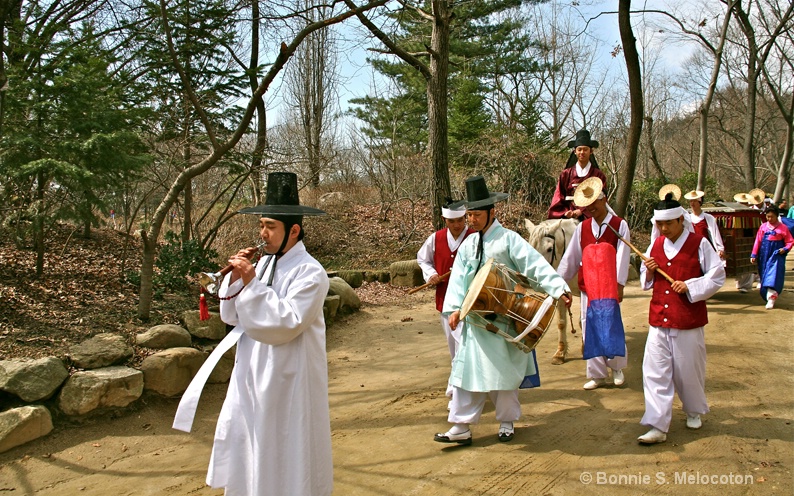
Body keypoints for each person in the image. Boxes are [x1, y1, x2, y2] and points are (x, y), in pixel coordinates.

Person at [173, 172, 333, 495]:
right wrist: (235, 279)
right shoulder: (263, 265)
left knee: (285, 450)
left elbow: (286, 322)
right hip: (252, 376)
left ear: (294, 230)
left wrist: (251, 284)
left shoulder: (312, 273)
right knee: (251, 449)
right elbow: (234, 316)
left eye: (270, 227)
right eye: (261, 225)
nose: (263, 233)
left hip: (288, 379)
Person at [435, 176, 571, 445]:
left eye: (475, 214)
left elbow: (534, 265)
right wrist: (453, 308)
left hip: (505, 318)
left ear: (492, 212)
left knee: (503, 373)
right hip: (475, 320)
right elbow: (460, 279)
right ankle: (460, 426)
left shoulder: (509, 240)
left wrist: (558, 287)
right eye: (469, 214)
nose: (471, 220)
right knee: (465, 373)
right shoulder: (469, 245)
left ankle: (507, 421)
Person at [637, 193, 725, 445]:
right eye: (659, 224)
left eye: (668, 224)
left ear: (680, 221)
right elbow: (645, 277)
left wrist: (690, 285)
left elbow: (717, 275)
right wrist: (650, 271)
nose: (663, 229)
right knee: (654, 372)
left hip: (687, 320)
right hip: (658, 320)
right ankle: (657, 424)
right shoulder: (655, 245)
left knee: (689, 371)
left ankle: (693, 409)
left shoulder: (699, 243)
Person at [557, 177, 630, 390]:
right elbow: (571, 257)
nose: (592, 209)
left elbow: (623, 256)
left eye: (595, 204)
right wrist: (559, 281)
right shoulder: (583, 228)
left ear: (604, 200)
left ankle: (616, 367)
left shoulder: (619, 225)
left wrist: (619, 284)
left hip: (607, 286)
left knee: (611, 324)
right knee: (589, 327)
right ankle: (596, 373)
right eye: (587, 206)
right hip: (589, 285)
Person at [416, 200, 474, 398]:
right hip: (446, 299)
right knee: (453, 345)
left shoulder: (475, 237)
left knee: (466, 345)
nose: (457, 225)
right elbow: (423, 259)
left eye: (460, 220)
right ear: (444, 220)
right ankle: (458, 386)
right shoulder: (436, 238)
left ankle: (459, 389)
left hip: (471, 299)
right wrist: (430, 274)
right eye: (452, 221)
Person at [547, 129, 607, 220]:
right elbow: (558, 197)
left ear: (591, 151)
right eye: (579, 149)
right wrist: (566, 212)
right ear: (575, 151)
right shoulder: (566, 174)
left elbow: (601, 200)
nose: (582, 152)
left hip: (590, 216)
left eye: (585, 149)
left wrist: (582, 211)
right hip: (567, 215)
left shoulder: (598, 175)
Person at [750, 205, 793, 309]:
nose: (769, 219)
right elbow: (758, 241)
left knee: (774, 274)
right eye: (767, 216)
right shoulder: (763, 226)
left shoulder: (783, 228)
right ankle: (767, 294)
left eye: (771, 217)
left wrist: (785, 249)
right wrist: (754, 254)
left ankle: (771, 297)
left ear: (776, 216)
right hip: (764, 253)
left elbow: (790, 241)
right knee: (764, 274)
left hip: (777, 254)